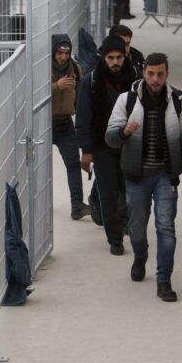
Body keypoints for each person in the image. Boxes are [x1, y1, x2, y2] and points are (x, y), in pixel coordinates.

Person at [105, 53, 182, 302]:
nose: (155, 79)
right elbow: (110, 137)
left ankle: (163, 280)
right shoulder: (128, 99)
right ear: (144, 73)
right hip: (135, 176)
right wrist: (124, 132)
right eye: (151, 74)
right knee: (136, 228)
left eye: (160, 74)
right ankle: (140, 255)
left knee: (166, 227)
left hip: (166, 175)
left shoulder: (178, 100)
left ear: (167, 74)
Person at [76, 36, 138, 255]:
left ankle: (125, 223)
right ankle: (115, 238)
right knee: (109, 193)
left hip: (129, 144)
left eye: (119, 57)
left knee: (128, 190)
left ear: (125, 57)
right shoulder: (91, 81)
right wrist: (87, 151)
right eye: (111, 58)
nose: (115, 62)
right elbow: (83, 118)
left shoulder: (135, 80)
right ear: (104, 58)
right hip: (102, 146)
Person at [51, 34, 91, 220]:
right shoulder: (42, 68)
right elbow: (31, 93)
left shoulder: (75, 68)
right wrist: (56, 86)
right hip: (45, 124)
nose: (63, 57)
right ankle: (37, 203)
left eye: (66, 53)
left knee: (73, 163)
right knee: (37, 166)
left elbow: (82, 93)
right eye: (59, 53)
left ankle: (77, 205)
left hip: (65, 124)